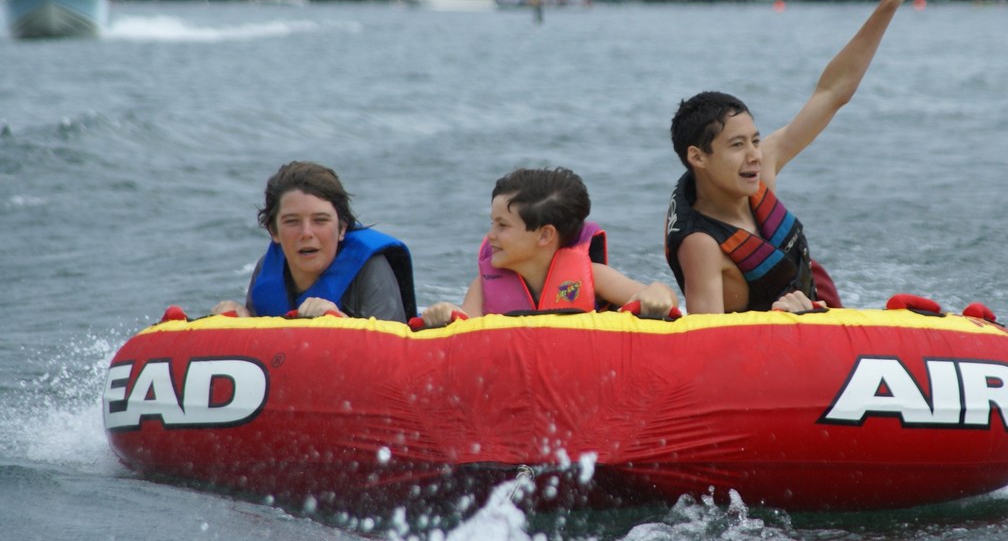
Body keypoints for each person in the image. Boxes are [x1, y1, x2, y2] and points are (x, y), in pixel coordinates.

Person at [666, 0, 922, 315]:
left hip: (818, 317)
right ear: (697, 157)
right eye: (737, 145)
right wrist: (780, 320)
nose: (755, 155)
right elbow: (707, 340)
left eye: (755, 140)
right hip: (780, 339)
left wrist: (891, 0)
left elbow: (831, 93)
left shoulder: (760, 171)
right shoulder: (700, 244)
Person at [419, 167, 678, 326]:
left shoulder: (594, 277)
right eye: (492, 223)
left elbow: (664, 298)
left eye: (502, 225)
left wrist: (658, 290)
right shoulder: (483, 287)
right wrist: (446, 314)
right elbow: (465, 329)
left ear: (544, 235)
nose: (490, 236)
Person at [211, 161, 415, 322]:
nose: (306, 233)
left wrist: (338, 322)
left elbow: (392, 352)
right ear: (274, 231)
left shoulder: (371, 269)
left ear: (342, 228)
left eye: (320, 220)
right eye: (292, 221)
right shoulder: (266, 270)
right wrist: (238, 321)